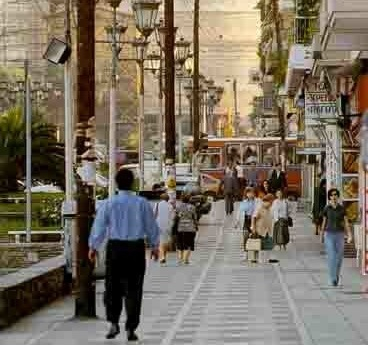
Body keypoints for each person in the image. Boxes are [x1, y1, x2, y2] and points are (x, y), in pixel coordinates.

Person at [88, 168, 160, 342]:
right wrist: (155, 246)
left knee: (112, 287)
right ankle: (131, 328)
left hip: (116, 249)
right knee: (134, 289)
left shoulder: (109, 203)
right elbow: (151, 226)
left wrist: (93, 247)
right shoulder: (142, 203)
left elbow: (99, 227)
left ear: (117, 183)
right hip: (135, 249)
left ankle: (113, 322)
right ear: (132, 183)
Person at [321, 188, 353, 286]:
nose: (333, 197)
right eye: (331, 195)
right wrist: (321, 235)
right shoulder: (327, 208)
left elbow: (346, 223)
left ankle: (336, 275)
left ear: (338, 196)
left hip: (339, 234)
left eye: (335, 195)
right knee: (332, 256)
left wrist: (349, 235)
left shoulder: (342, 209)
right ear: (329, 197)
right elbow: (324, 222)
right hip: (329, 234)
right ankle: (333, 278)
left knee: (339, 258)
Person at [251, 194, 274, 263]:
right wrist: (253, 229)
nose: (271, 204)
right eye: (271, 203)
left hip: (267, 230)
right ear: (267, 201)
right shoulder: (260, 208)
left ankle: (266, 258)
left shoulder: (269, 209)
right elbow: (254, 218)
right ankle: (256, 258)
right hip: (260, 230)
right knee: (258, 244)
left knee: (268, 244)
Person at [175, 194, 198, 265]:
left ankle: (180, 258)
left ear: (182, 199)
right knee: (189, 244)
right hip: (190, 228)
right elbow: (195, 218)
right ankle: (185, 259)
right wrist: (196, 225)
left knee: (180, 244)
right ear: (189, 200)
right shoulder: (192, 207)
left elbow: (175, 217)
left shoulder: (178, 207)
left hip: (180, 228)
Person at [155, 193, 175, 264]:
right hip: (168, 225)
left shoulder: (157, 204)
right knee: (166, 241)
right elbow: (173, 217)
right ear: (168, 199)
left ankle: (162, 257)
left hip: (159, 224)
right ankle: (164, 256)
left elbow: (155, 214)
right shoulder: (170, 206)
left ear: (161, 198)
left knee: (161, 241)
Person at [236, 187, 258, 253]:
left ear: (254, 194)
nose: (250, 194)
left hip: (254, 220)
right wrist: (237, 221)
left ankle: (254, 248)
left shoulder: (257, 201)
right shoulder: (244, 202)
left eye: (251, 193)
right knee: (245, 235)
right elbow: (239, 211)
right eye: (248, 193)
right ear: (246, 194)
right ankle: (246, 248)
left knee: (254, 235)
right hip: (246, 220)